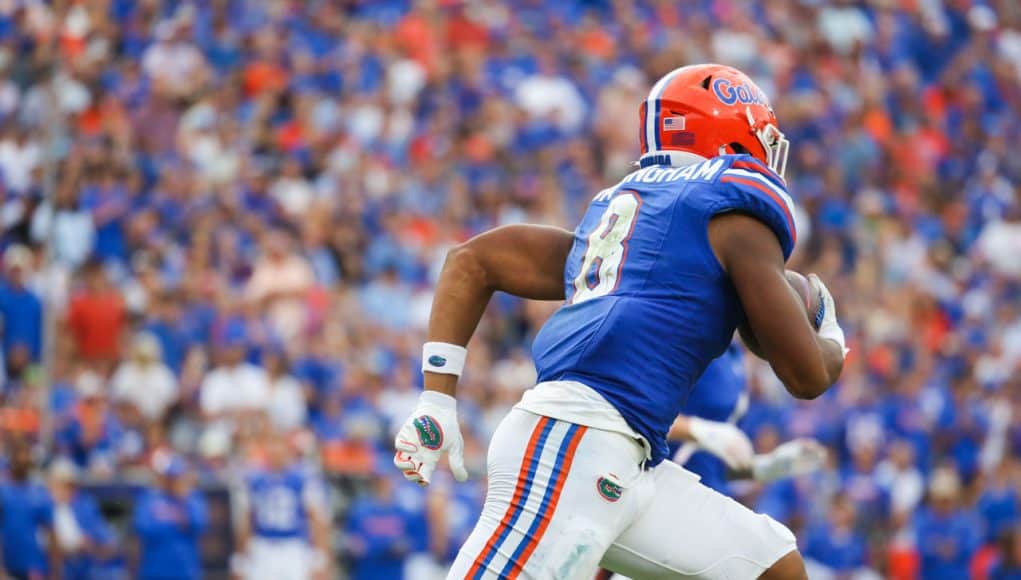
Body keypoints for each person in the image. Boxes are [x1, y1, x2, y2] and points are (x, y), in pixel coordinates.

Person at [393, 63, 847, 579]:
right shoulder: (733, 214)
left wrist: (438, 395)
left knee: (772, 566)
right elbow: (807, 375)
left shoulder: (637, 215)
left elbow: (474, 260)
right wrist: (830, 333)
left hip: (624, 458)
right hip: (571, 439)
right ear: (733, 136)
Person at [667, 345, 826, 493]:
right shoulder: (688, 339)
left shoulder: (735, 357)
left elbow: (714, 462)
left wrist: (766, 467)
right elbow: (644, 416)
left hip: (708, 495)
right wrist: (698, 430)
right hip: (665, 487)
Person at [231, 434, 331, 580]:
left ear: (288, 450)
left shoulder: (302, 478)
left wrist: (320, 558)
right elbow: (246, 520)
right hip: (263, 546)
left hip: (294, 548)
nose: (276, 451)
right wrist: (240, 559)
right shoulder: (254, 479)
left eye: (280, 446)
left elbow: (317, 520)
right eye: (272, 446)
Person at [133, 452, 208, 580]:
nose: (174, 481)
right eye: (171, 477)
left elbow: (199, 525)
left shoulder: (192, 498)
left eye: (177, 477)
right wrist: (176, 524)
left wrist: (182, 504)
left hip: (186, 570)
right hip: (154, 570)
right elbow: (144, 528)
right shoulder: (149, 498)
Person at [47, 458, 118, 580]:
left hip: (84, 569)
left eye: (71, 486)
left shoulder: (85, 506)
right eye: (62, 485)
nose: (67, 491)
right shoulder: (43, 508)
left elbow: (110, 544)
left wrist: (91, 547)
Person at [0, 440, 60, 580]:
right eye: (18, 456)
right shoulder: (2, 491)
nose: (22, 460)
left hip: (34, 566)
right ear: (11, 459)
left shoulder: (39, 492)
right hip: (8, 565)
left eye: (25, 455)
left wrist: (56, 571)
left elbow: (51, 533)